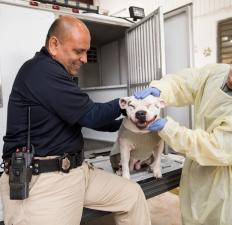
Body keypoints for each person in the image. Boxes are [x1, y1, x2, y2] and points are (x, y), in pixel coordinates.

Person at [0, 16, 151, 225]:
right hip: (45, 180)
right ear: (54, 45)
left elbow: (83, 118)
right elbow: (92, 115)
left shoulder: (57, 75)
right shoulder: (40, 71)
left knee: (131, 196)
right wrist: (126, 102)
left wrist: (131, 123)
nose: (85, 59)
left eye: (86, 52)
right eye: (78, 51)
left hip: (77, 172)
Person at [135, 40, 232, 225]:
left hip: (223, 185)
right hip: (195, 170)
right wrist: (160, 90)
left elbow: (214, 148)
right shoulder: (217, 73)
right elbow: (185, 83)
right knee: (191, 217)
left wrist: (169, 129)